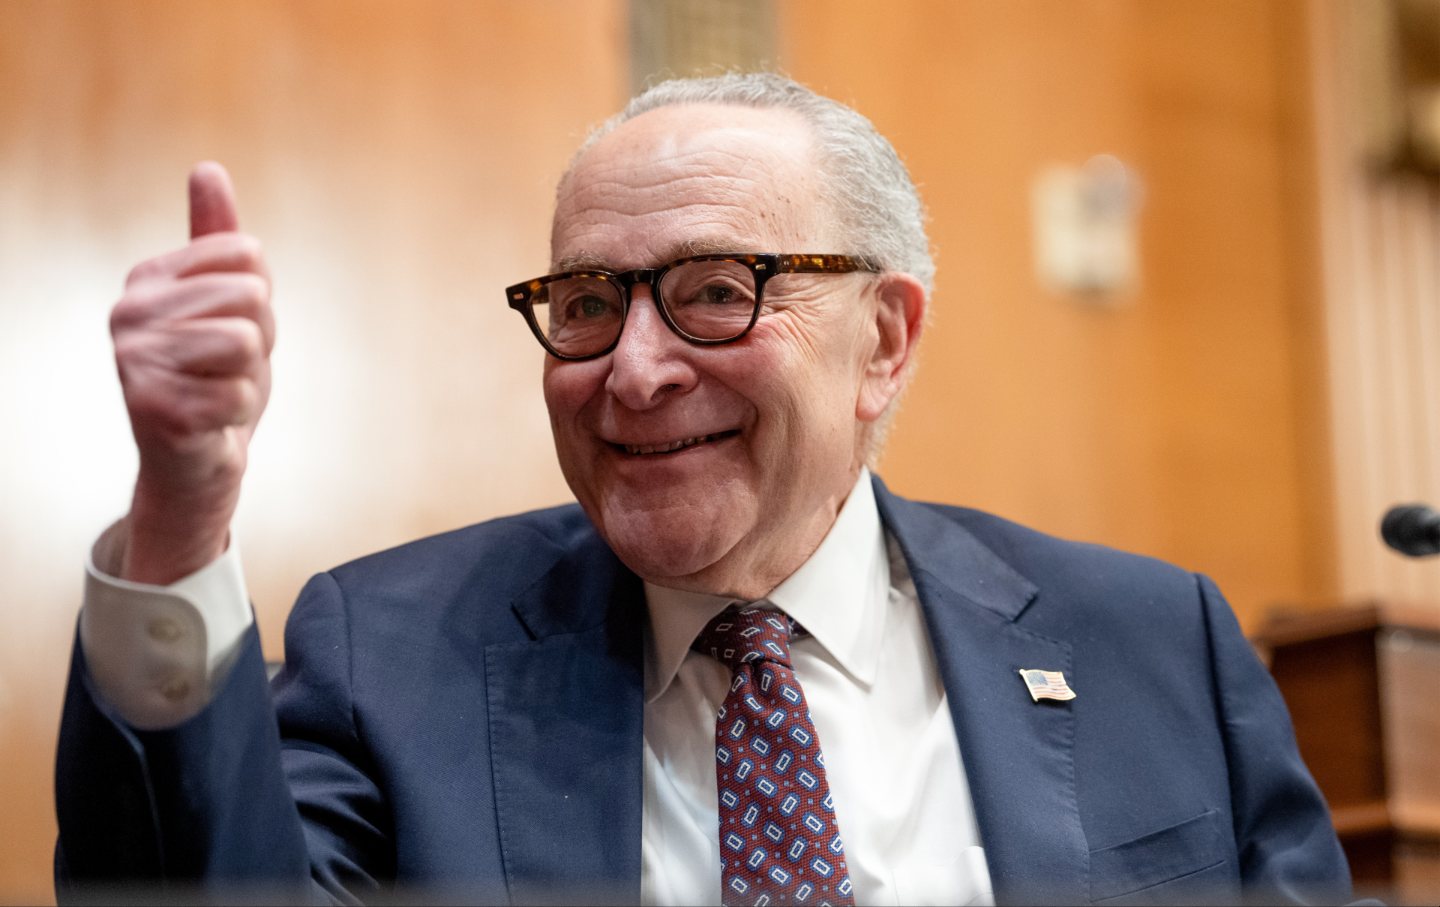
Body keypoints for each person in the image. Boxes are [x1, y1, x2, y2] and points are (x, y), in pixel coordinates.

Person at [56, 73, 1352, 906]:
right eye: (583, 304)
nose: (633, 372)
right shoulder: (390, 656)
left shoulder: (1152, 645)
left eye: (716, 293)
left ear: (884, 341)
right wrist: (182, 509)